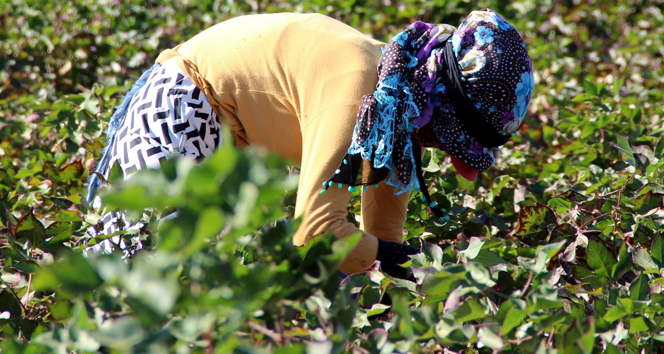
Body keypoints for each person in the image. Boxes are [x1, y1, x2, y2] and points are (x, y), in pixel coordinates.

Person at [86, 9, 533, 279]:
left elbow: (380, 242)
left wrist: (415, 279)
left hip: (233, 146)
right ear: (439, 106)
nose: (441, 151)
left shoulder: (400, 108)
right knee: (131, 274)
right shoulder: (361, 90)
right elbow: (315, 233)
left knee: (207, 290)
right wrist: (404, 261)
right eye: (449, 139)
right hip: (184, 103)